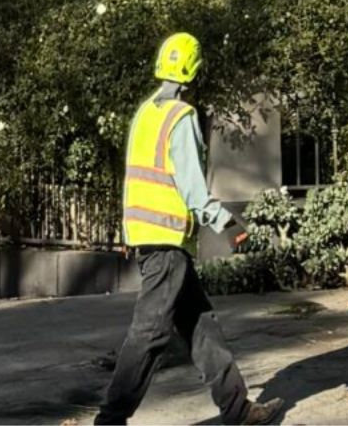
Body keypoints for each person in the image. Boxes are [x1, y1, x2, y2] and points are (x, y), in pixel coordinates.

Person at [93, 31, 278, 426]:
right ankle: (110, 419)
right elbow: (193, 189)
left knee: (200, 324)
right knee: (151, 332)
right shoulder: (182, 116)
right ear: (194, 70)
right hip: (167, 242)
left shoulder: (146, 113)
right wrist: (227, 223)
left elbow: (133, 177)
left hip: (147, 238)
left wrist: (129, 233)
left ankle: (238, 409)